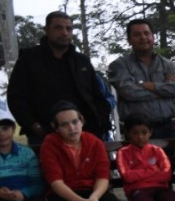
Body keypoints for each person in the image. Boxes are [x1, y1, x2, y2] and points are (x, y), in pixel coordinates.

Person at [8, 12, 112, 143]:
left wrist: (101, 124)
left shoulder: (82, 61)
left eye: (69, 29)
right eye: (59, 28)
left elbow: (98, 97)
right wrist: (33, 125)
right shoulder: (29, 59)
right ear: (46, 30)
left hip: (86, 134)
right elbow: (16, 97)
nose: (64, 33)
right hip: (45, 135)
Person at [107, 18, 175, 139]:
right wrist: (164, 90)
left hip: (166, 129)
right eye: (137, 34)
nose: (143, 37)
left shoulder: (168, 65)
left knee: (168, 159)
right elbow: (129, 92)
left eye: (146, 33)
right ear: (129, 40)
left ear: (153, 37)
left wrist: (151, 86)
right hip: (135, 132)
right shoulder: (119, 65)